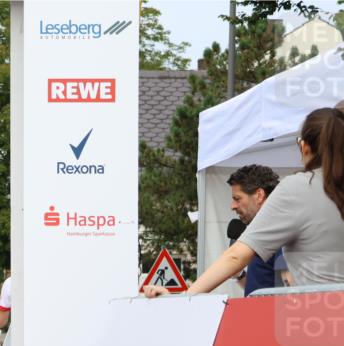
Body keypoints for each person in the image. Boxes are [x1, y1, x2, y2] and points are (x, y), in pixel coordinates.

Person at [145, 107, 344, 296]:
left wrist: (187, 296)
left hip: (323, 317)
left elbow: (236, 256)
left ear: (305, 147)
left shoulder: (298, 188)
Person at [226, 165, 283, 296]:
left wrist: (189, 295)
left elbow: (285, 293)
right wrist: (240, 275)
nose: (232, 206)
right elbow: (261, 288)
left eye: (237, 199)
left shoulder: (279, 233)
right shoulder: (262, 232)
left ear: (259, 195)